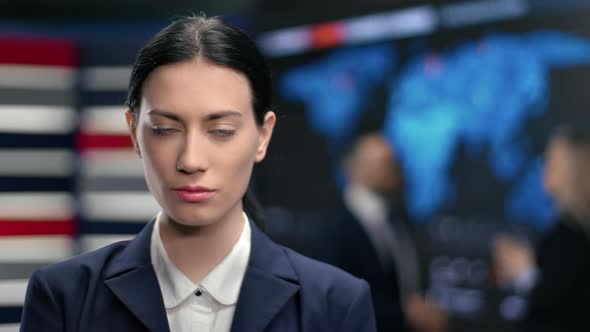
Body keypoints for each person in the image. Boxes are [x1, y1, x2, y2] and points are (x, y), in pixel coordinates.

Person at [20, 15, 376, 332]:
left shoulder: (335, 304)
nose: (191, 160)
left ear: (262, 135)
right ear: (133, 133)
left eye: (221, 130)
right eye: (163, 128)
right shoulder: (64, 297)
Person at [268, 133, 448, 332]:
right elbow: (334, 299)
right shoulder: (333, 228)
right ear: (351, 168)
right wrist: (405, 313)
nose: (389, 169)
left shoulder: (401, 221)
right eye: (379, 163)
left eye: (391, 162)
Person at [493, 125, 590, 332]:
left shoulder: (571, 235)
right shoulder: (566, 231)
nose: (543, 167)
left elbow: (555, 303)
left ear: (572, 170)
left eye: (551, 161)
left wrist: (524, 272)